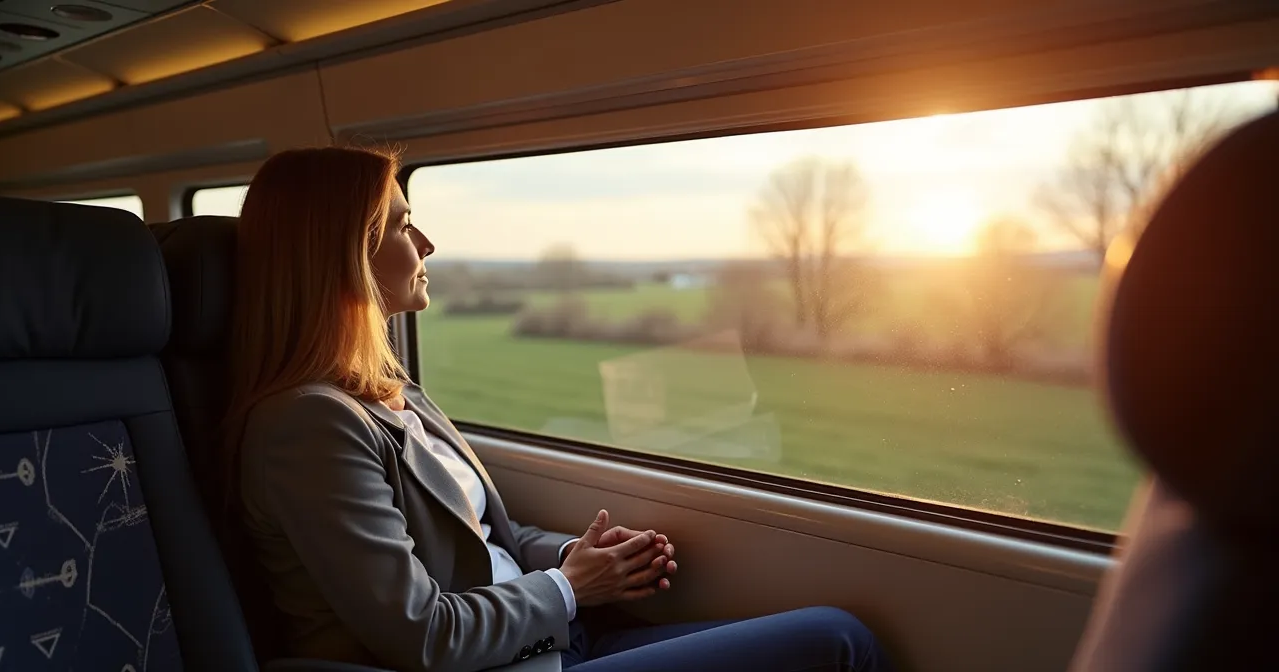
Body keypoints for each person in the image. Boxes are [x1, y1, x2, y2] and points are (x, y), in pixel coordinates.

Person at [224, 146, 892, 672]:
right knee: (839, 641)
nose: (426, 243)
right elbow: (420, 634)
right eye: (401, 224)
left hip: (550, 642)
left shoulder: (389, 393)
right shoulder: (307, 426)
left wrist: (581, 554)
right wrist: (573, 587)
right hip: (502, 664)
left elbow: (484, 543)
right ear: (343, 257)